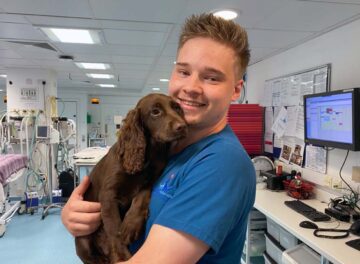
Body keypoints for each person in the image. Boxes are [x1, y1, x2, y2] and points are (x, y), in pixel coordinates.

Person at [62, 13, 256, 264]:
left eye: (211, 77)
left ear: (236, 90)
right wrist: (74, 214)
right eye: (184, 71)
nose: (191, 87)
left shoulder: (222, 163)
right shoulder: (166, 149)